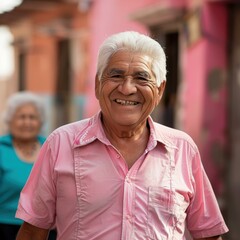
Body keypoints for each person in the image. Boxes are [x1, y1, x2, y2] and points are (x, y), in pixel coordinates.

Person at [15, 31, 228, 240]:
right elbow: (33, 232)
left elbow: (208, 234)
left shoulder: (182, 148)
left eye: (141, 78)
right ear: (98, 85)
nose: (126, 89)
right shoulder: (61, 143)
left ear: (160, 90)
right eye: (116, 75)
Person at [0, 91, 57, 240]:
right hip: (6, 227)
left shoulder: (52, 147)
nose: (27, 122)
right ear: (10, 120)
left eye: (32, 117)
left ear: (40, 122)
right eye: (21, 117)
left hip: (47, 228)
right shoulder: (1, 148)